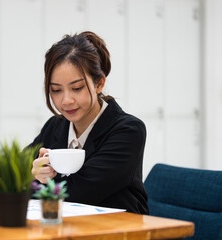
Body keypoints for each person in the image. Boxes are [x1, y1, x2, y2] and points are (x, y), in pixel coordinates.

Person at [30, 31, 148, 214]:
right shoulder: (56, 125)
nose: (66, 100)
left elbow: (78, 193)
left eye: (76, 88)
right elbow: (15, 173)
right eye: (56, 90)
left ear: (99, 84)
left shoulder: (128, 130)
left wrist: (38, 181)